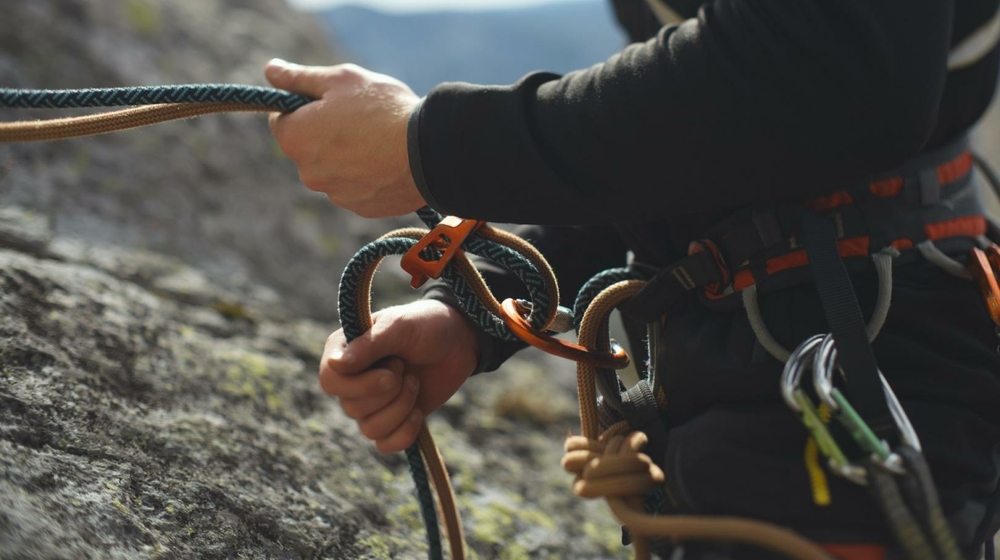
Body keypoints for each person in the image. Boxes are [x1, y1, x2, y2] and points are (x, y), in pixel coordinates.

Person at [266, 0, 1000, 557]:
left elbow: (835, 75)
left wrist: (431, 146)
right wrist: (475, 309)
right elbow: (695, 129)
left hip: (853, 378)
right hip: (801, 365)